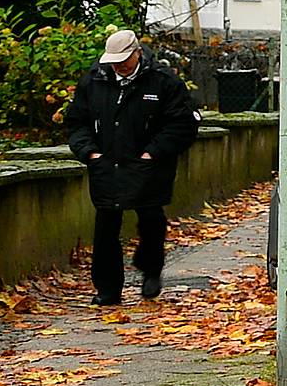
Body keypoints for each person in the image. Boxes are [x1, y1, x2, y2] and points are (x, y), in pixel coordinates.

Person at [65, 29, 201, 304]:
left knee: (151, 220)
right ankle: (107, 290)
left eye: (124, 60)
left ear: (138, 53)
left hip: (148, 166)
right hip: (106, 164)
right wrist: (89, 152)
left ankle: (151, 270)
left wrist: (153, 153)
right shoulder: (94, 81)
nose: (119, 66)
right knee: (105, 226)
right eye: (114, 61)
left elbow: (182, 124)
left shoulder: (163, 82)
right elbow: (76, 121)